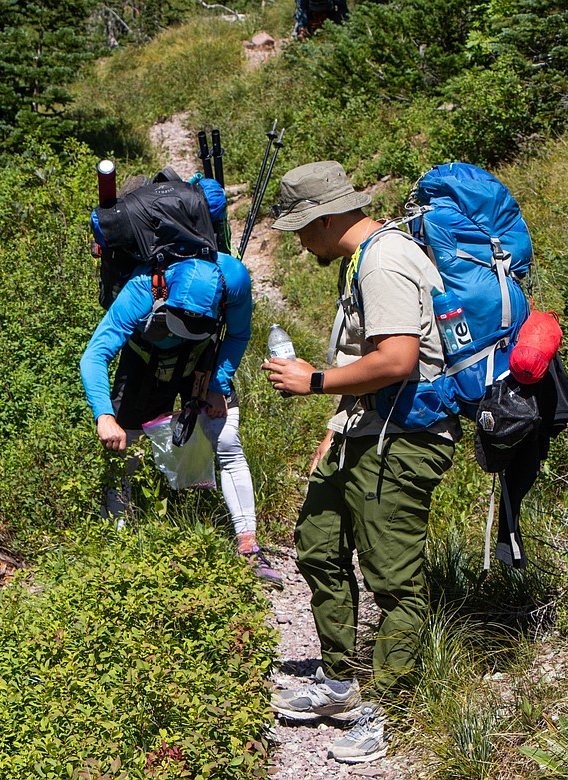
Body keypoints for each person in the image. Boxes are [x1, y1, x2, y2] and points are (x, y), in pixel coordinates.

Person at [260, 161, 459, 763]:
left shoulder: (383, 261)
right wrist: (334, 424)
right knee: (318, 544)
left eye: (300, 228)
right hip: (361, 429)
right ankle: (341, 681)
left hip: (402, 440)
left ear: (324, 218)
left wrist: (313, 380)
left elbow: (397, 361)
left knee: (393, 577)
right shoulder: (363, 259)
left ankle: (393, 711)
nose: (298, 241)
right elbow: (371, 355)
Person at [79, 180, 282, 588]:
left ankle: (248, 546)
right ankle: (117, 543)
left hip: (204, 362)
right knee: (126, 447)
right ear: (166, 294)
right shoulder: (142, 288)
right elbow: (95, 354)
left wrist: (217, 384)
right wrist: (105, 415)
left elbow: (238, 336)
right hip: (145, 363)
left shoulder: (233, 279)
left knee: (226, 441)